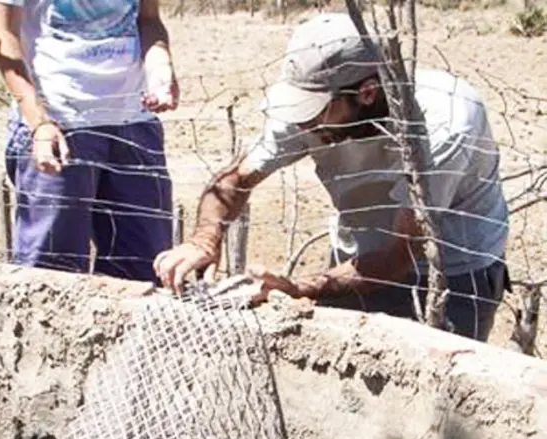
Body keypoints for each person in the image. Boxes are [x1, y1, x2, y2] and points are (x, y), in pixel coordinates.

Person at [153, 13, 510, 342]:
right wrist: (202, 241)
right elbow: (235, 180)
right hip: (359, 259)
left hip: (454, 273)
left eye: (313, 114)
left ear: (367, 93)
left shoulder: (443, 122)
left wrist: (297, 288)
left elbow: (397, 257)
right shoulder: (313, 107)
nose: (303, 125)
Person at [0, 0, 178, 282]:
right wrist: (39, 122)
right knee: (50, 278)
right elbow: (5, 36)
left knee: (144, 273)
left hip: (135, 123)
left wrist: (160, 66)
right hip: (59, 127)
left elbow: (148, 19)